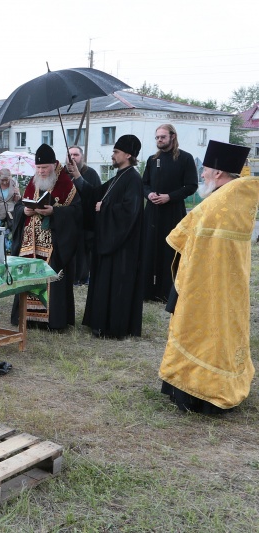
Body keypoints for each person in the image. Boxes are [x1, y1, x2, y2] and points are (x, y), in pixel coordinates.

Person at [158, 140, 255, 413]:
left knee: (203, 328)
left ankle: (199, 391)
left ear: (219, 174)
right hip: (229, 284)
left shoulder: (220, 201)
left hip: (206, 281)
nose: (202, 174)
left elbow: (182, 234)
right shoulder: (239, 197)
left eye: (206, 169)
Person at [10, 143, 81, 330]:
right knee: (28, 277)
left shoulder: (66, 183)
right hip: (29, 242)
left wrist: (54, 213)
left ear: (54, 165)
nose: (41, 172)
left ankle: (52, 321)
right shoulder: (33, 182)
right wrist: (23, 211)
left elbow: (76, 212)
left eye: (45, 168)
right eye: (38, 168)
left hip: (53, 244)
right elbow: (18, 207)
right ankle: (27, 317)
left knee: (51, 280)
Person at [82, 135, 144, 338]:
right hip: (111, 241)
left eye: (116, 152)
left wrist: (104, 207)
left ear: (128, 155)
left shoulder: (133, 179)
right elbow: (96, 192)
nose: (113, 155)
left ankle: (113, 326)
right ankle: (101, 322)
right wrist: (76, 176)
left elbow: (130, 211)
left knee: (116, 286)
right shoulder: (119, 175)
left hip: (122, 246)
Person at [141, 124, 198, 302]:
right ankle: (147, 291)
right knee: (149, 249)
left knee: (170, 250)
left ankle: (167, 292)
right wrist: (149, 193)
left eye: (163, 137)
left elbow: (191, 186)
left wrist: (169, 197)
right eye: (157, 137)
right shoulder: (152, 160)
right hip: (152, 211)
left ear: (172, 137)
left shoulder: (185, 159)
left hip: (173, 211)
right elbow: (144, 183)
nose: (159, 140)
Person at [65, 145, 101, 284]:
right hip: (68, 219)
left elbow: (95, 194)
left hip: (86, 219)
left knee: (84, 251)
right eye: (70, 155)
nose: (73, 157)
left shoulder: (90, 173)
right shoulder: (62, 173)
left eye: (76, 155)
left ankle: (82, 277)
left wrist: (78, 179)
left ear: (82, 157)